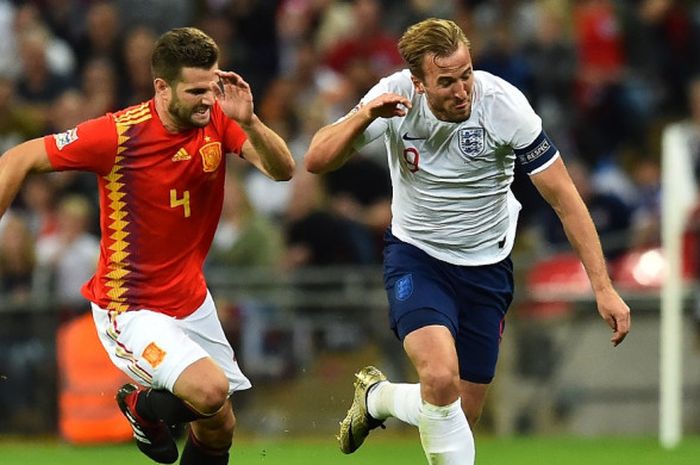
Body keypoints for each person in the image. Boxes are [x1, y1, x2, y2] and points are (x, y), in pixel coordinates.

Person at [304, 18, 630, 465]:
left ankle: (377, 398)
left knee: (459, 414)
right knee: (439, 380)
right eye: (446, 81)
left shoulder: (504, 106)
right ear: (418, 83)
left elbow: (566, 200)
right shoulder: (393, 96)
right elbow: (317, 160)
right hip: (418, 257)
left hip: (487, 268)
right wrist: (363, 116)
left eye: (466, 75)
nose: (462, 91)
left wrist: (603, 286)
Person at [0, 27, 295, 465]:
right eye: (195, 91)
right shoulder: (117, 135)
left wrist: (250, 119)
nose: (207, 100)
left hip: (191, 300)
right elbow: (19, 157)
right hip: (131, 308)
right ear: (161, 87)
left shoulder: (220, 116)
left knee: (219, 425)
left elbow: (283, 170)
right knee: (210, 391)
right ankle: (140, 405)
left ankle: (147, 406)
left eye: (212, 87)